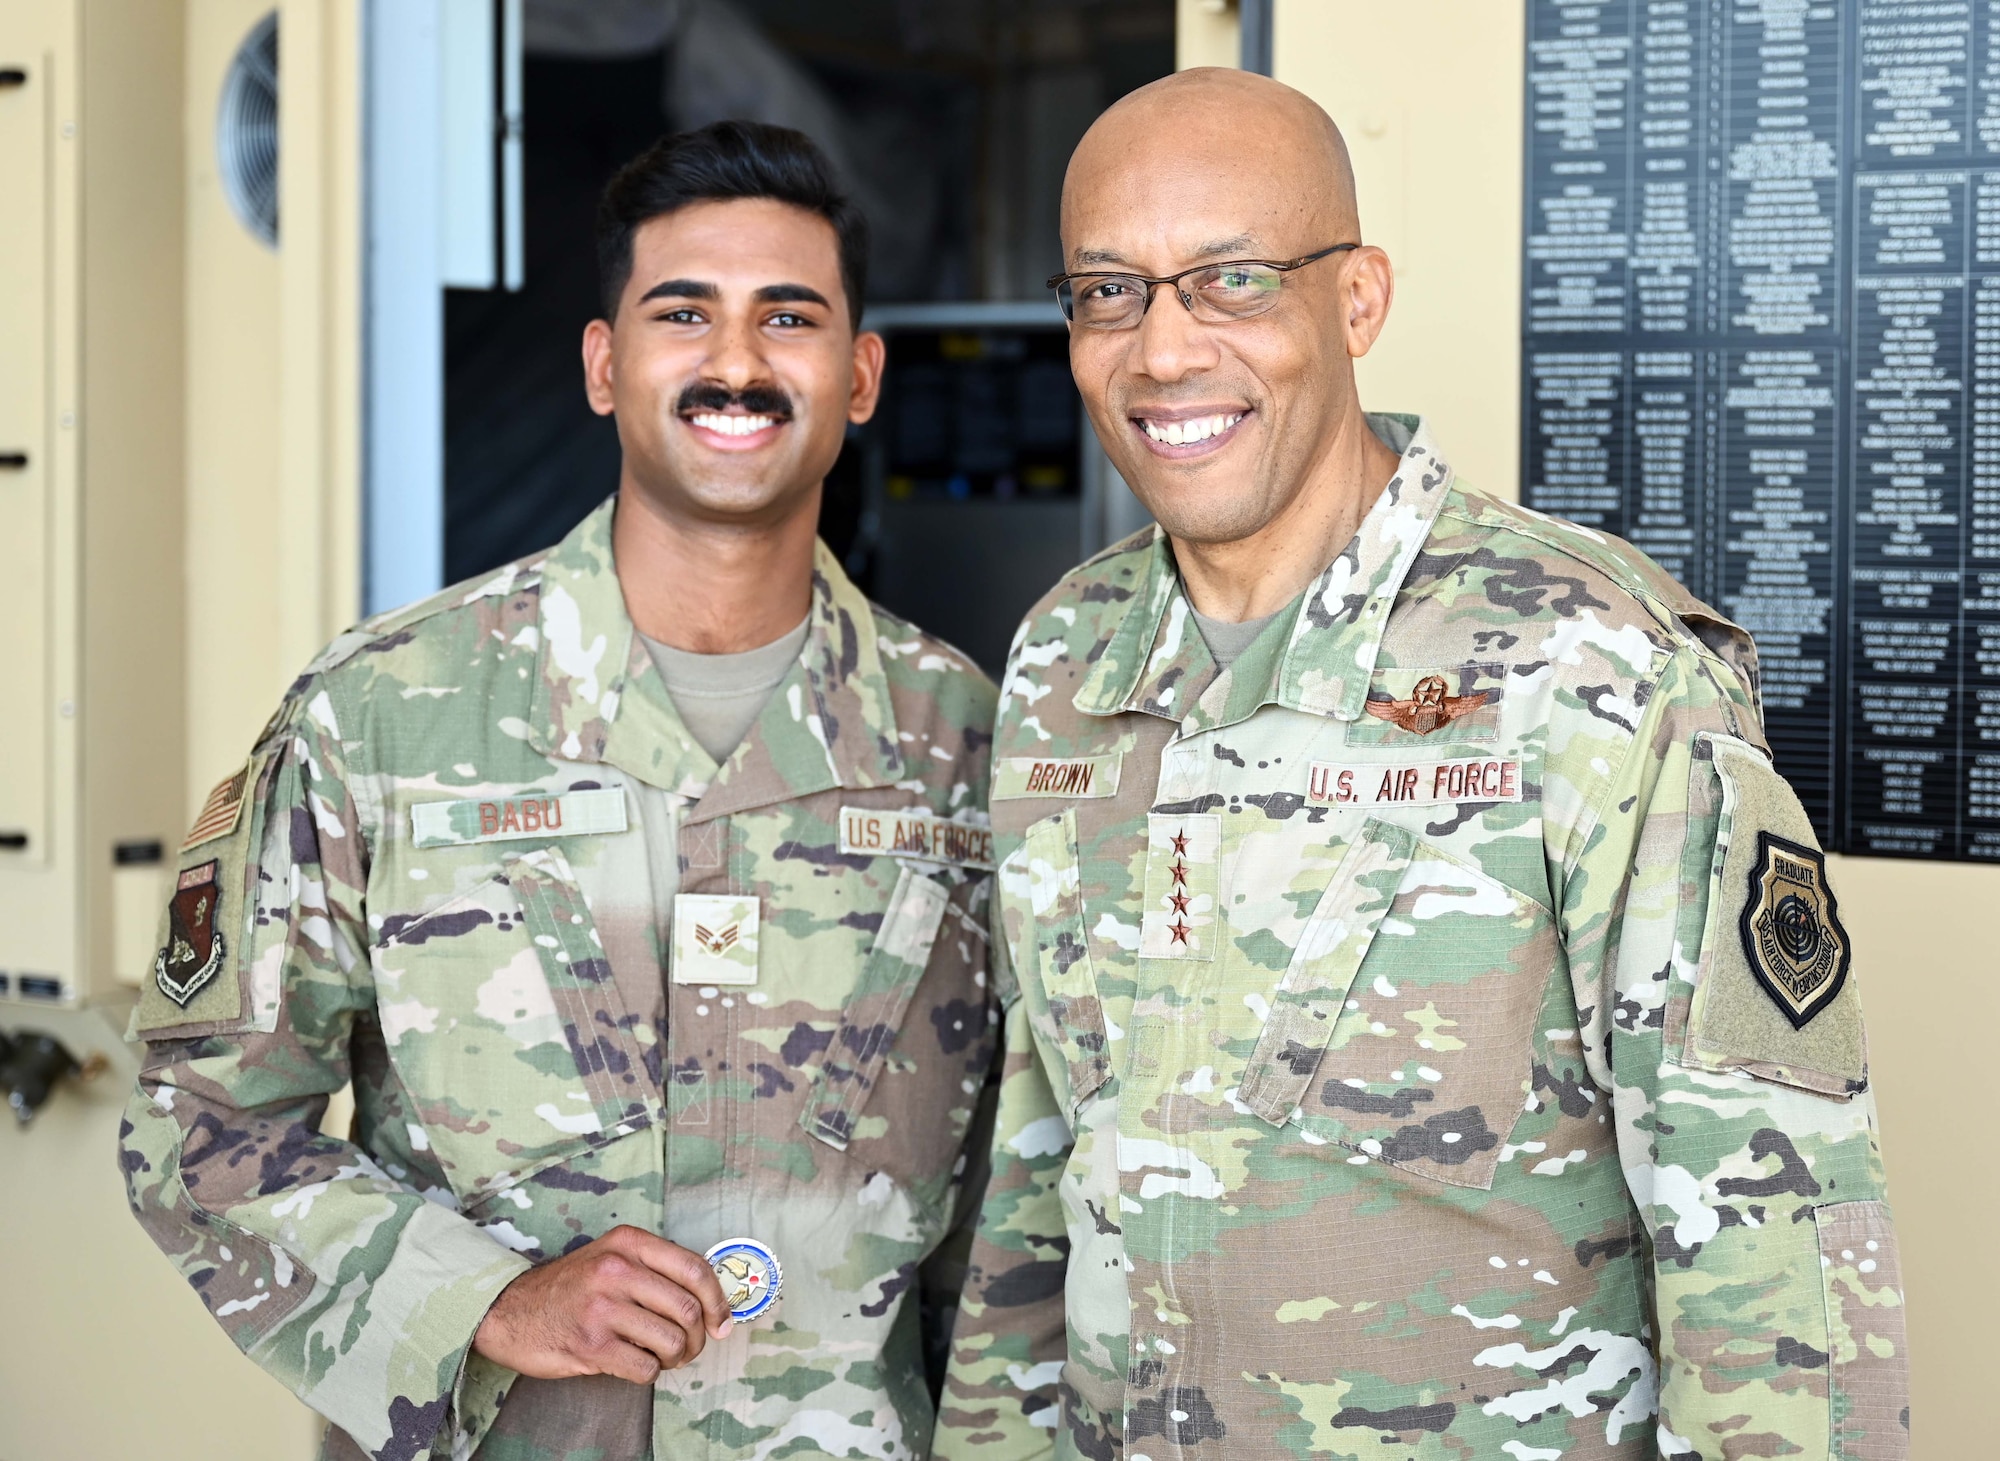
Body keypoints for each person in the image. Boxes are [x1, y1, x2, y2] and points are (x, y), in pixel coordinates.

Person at [936, 69, 1907, 1461]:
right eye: (1109, 292)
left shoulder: (1594, 667)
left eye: (1233, 280)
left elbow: (1778, 1258)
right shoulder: (1063, 663)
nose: (1161, 350)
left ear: (1358, 300)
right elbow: (1040, 1175)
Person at [122, 121, 1001, 1461]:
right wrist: (485, 1299)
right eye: (682, 313)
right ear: (604, 367)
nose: (736, 362)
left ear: (862, 375)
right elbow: (200, 1119)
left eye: (790, 318)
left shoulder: (961, 742)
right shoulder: (386, 713)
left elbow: (1016, 1203)